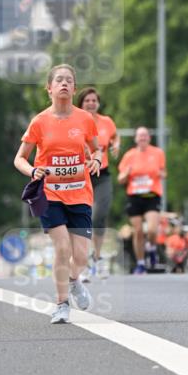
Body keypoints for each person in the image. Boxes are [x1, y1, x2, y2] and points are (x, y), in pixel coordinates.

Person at [14, 64, 102, 324]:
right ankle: (61, 304)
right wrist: (33, 171)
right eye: (59, 80)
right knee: (62, 247)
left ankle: (74, 281)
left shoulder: (85, 119)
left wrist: (96, 159)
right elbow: (19, 158)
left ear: (74, 89)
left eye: (69, 80)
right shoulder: (39, 122)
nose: (64, 83)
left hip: (80, 194)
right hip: (50, 194)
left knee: (82, 256)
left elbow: (97, 150)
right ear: (49, 88)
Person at [76, 87, 119, 279]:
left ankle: (98, 257)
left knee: (99, 216)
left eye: (94, 100)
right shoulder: (75, 122)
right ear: (81, 104)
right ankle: (81, 262)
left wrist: (116, 144)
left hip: (102, 175)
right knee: (82, 217)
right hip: (80, 175)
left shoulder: (107, 122)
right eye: (87, 101)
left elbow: (115, 136)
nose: (91, 103)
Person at [117, 126, 166, 274]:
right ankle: (140, 263)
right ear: (136, 139)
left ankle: (151, 247)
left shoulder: (157, 153)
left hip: (151, 195)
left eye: (145, 136)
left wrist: (160, 173)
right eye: (140, 136)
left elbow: (164, 173)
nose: (142, 138)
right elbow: (120, 179)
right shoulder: (129, 155)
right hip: (135, 195)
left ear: (149, 138)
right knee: (138, 231)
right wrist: (126, 174)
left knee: (151, 229)